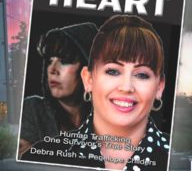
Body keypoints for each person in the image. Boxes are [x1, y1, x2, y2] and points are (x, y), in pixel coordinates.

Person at [21, 15, 169, 171]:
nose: (126, 87)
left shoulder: (181, 160)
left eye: (142, 75)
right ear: (88, 79)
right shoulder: (38, 158)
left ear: (159, 87)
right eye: (113, 71)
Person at [18, 22, 98, 155]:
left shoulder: (108, 116)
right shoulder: (33, 109)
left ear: (88, 71)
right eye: (50, 61)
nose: (52, 69)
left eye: (64, 61)